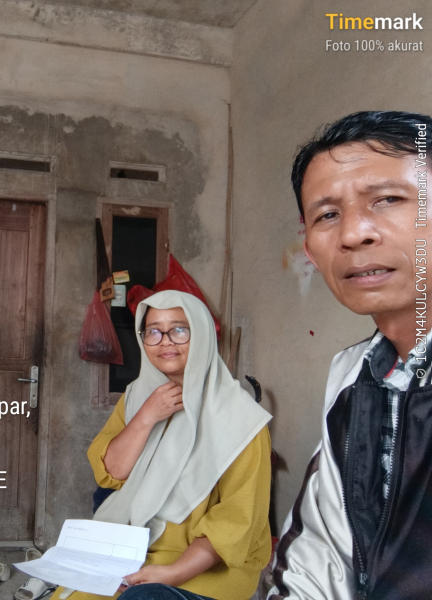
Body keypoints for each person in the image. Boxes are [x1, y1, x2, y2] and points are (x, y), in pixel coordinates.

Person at [268, 111, 432, 599]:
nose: (354, 233)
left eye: (388, 199)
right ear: (310, 250)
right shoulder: (353, 374)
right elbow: (319, 552)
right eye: (327, 215)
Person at [61, 290, 272, 600]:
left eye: (179, 330)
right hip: (134, 545)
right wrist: (147, 416)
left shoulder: (241, 419)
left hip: (208, 562)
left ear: (201, 334)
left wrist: (173, 574)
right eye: (153, 331)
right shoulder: (137, 397)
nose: (165, 342)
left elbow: (235, 520)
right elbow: (111, 472)